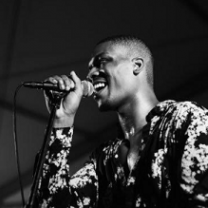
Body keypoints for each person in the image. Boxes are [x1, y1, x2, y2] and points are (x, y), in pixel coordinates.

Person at [31, 35, 208, 208]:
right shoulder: (104, 159)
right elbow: (51, 204)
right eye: (90, 68)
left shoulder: (185, 119)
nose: (91, 74)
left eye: (102, 62)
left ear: (136, 66)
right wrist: (62, 119)